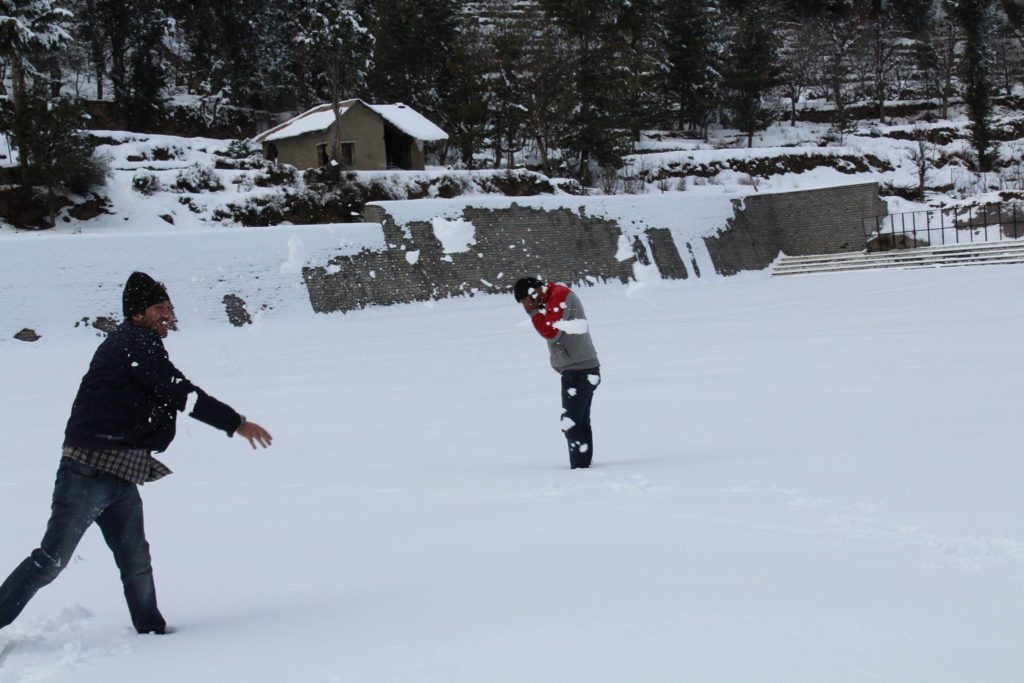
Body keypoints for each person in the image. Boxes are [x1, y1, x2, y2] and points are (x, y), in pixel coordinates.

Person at [0, 272, 272, 635]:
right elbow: (182, 394)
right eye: (159, 308)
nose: (168, 314)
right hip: (86, 471)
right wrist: (236, 423)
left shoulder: (141, 343)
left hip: (120, 471)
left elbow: (172, 393)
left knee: (136, 560)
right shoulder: (133, 344)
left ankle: (151, 632)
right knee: (50, 560)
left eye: (169, 307)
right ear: (136, 314)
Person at [514, 277, 601, 469]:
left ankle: (580, 469)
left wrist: (533, 312)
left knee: (571, 424)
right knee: (580, 422)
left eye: (527, 301)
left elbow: (551, 333)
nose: (529, 305)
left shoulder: (558, 296)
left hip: (579, 370)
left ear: (534, 291)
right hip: (583, 368)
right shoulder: (556, 295)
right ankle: (584, 465)